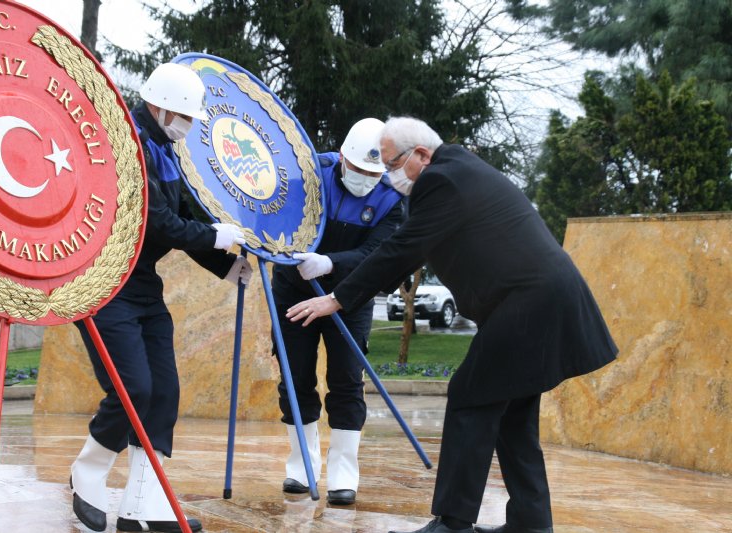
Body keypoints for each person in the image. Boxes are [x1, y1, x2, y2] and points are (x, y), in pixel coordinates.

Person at [286, 116, 618, 533]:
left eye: (392, 164)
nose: (388, 175)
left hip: (530, 305)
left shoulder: (440, 181)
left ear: (421, 155)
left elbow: (402, 249)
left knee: (468, 394)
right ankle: (531, 524)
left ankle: (454, 523)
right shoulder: (458, 172)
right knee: (513, 417)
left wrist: (337, 298)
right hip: (544, 302)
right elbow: (407, 251)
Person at [70, 63, 252, 533]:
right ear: (159, 106)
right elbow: (155, 221)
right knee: (133, 390)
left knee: (164, 394)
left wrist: (230, 265)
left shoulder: (165, 150)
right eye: (183, 115)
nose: (187, 125)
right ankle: (86, 471)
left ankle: (143, 506)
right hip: (105, 284)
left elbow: (184, 217)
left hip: (144, 285)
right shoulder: (126, 144)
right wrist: (215, 236)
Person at [272, 118, 403, 505]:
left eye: (372, 174)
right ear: (342, 157)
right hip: (294, 289)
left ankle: (344, 470)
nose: (364, 179)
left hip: (351, 296)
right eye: (358, 170)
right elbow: (277, 214)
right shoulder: (310, 172)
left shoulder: (393, 197)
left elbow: (377, 255)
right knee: (295, 377)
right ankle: (302, 464)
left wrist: (329, 263)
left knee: (346, 380)